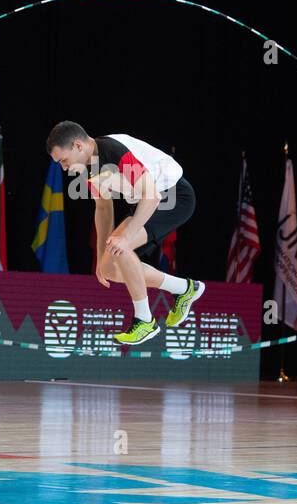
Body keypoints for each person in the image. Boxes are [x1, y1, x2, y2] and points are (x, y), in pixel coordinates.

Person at [46, 121, 204, 346]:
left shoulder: (113, 150)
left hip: (174, 196)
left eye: (63, 160)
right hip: (149, 200)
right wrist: (100, 258)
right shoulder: (89, 168)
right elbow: (103, 208)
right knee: (110, 267)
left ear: (78, 146)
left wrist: (126, 238)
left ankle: (145, 321)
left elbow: (152, 196)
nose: (63, 168)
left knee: (123, 246)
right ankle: (185, 289)